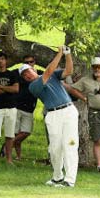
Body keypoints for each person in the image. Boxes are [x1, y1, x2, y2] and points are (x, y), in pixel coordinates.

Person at [21, 46, 78, 187]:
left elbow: (69, 71)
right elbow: (48, 72)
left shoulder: (53, 75)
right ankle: (57, 177)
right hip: (52, 114)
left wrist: (67, 54)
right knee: (54, 148)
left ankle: (69, 180)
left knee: (69, 144)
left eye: (28, 71)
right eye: (24, 75)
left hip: (68, 111)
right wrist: (59, 54)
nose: (28, 75)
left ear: (33, 69)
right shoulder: (33, 86)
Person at [12, 54, 43, 160]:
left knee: (25, 132)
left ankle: (7, 146)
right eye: (26, 62)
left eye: (31, 62)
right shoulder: (17, 73)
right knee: (15, 132)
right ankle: (18, 156)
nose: (29, 64)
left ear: (35, 62)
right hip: (17, 106)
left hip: (29, 108)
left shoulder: (39, 74)